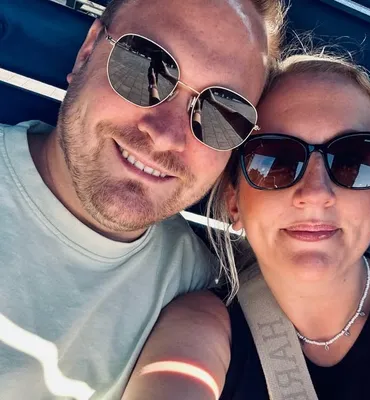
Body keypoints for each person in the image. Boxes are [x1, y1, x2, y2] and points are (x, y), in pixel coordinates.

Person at [0, 0, 287, 398]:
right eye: (146, 67)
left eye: (222, 113)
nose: (165, 135)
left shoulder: (197, 293)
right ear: (87, 53)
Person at [129, 52, 370, 400]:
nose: (315, 194)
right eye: (274, 161)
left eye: (353, 161)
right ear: (234, 202)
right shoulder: (200, 329)